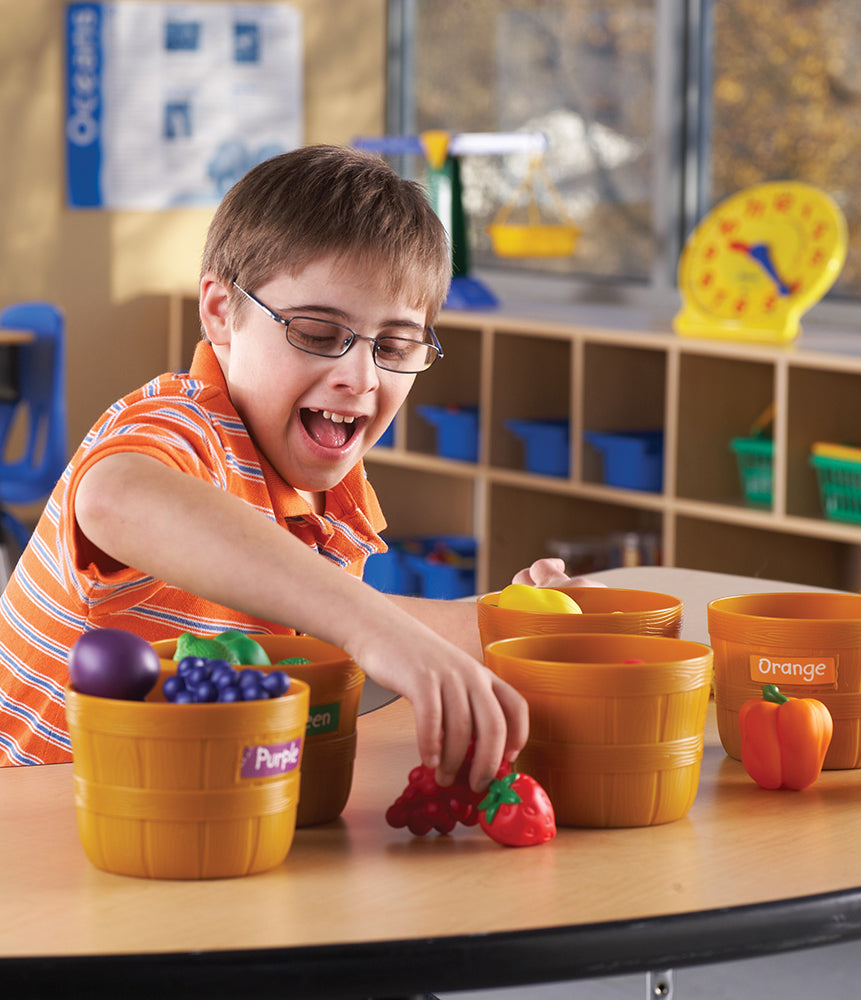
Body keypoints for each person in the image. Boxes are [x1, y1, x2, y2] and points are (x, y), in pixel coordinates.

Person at [0, 145, 586, 789]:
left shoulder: (327, 490)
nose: (360, 378)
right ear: (222, 313)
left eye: (393, 346)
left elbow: (322, 626)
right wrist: (374, 630)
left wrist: (505, 619)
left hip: (212, 809)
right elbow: (115, 496)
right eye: (315, 331)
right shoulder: (183, 424)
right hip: (50, 818)